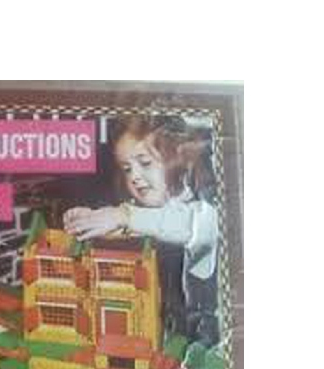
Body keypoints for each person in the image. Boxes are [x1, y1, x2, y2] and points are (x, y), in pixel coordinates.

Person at [63, 116, 219, 346]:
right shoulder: (157, 213)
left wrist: (123, 216)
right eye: (127, 169)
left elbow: (187, 224)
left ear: (178, 159)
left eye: (145, 163)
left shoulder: (206, 212)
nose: (134, 177)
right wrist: (92, 219)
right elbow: (145, 226)